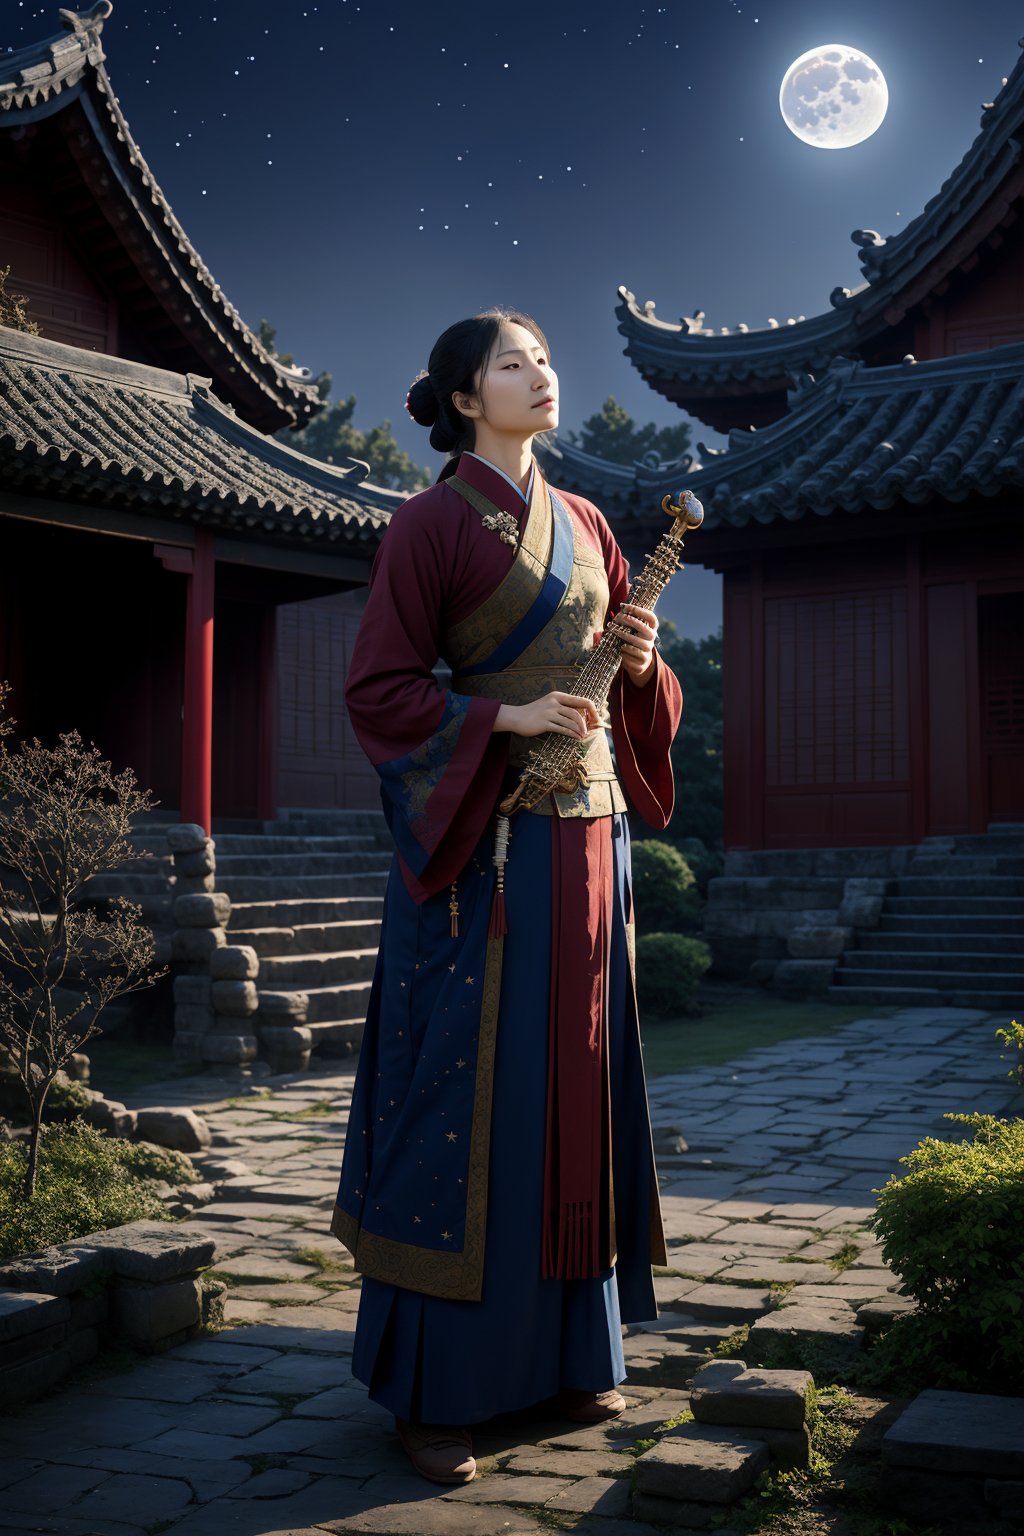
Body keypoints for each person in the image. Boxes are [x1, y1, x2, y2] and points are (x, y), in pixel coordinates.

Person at [330, 307, 683, 1486]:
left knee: (571, 1088)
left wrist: (639, 668)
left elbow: (633, 682)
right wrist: (503, 717)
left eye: (543, 358)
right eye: (511, 363)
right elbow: (380, 688)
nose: (539, 375)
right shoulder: (427, 524)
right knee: (465, 1092)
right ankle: (438, 1386)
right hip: (484, 840)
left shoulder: (586, 522)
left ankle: (562, 1354)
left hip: (593, 842)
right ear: (464, 396)